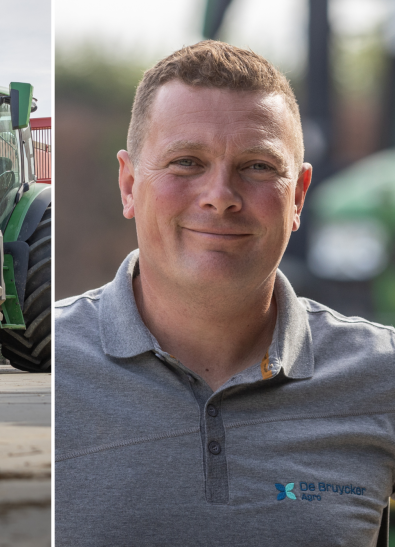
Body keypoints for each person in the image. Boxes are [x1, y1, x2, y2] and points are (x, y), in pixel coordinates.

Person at [55, 41, 395, 545]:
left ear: (298, 196)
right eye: (187, 162)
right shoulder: (53, 370)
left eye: (257, 166)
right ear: (129, 184)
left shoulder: (381, 377)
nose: (220, 196)